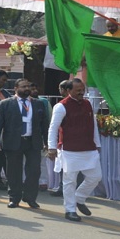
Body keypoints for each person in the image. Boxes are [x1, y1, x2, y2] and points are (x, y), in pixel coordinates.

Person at [47, 78, 102, 222]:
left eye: (82, 90)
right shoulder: (61, 106)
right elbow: (53, 128)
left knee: (96, 177)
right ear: (68, 91)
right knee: (69, 181)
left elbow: (93, 125)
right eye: (78, 90)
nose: (81, 92)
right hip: (69, 150)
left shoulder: (87, 103)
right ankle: (70, 210)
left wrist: (97, 143)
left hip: (88, 148)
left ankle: (79, 198)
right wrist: (52, 147)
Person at [0, 79, 50, 209]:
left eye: (28, 86)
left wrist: (47, 142)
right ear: (16, 88)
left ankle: (30, 198)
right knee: (13, 172)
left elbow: (45, 125)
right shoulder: (5, 104)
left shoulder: (38, 104)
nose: (27, 89)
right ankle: (14, 198)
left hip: (33, 142)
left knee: (34, 171)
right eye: (24, 86)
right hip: (13, 141)